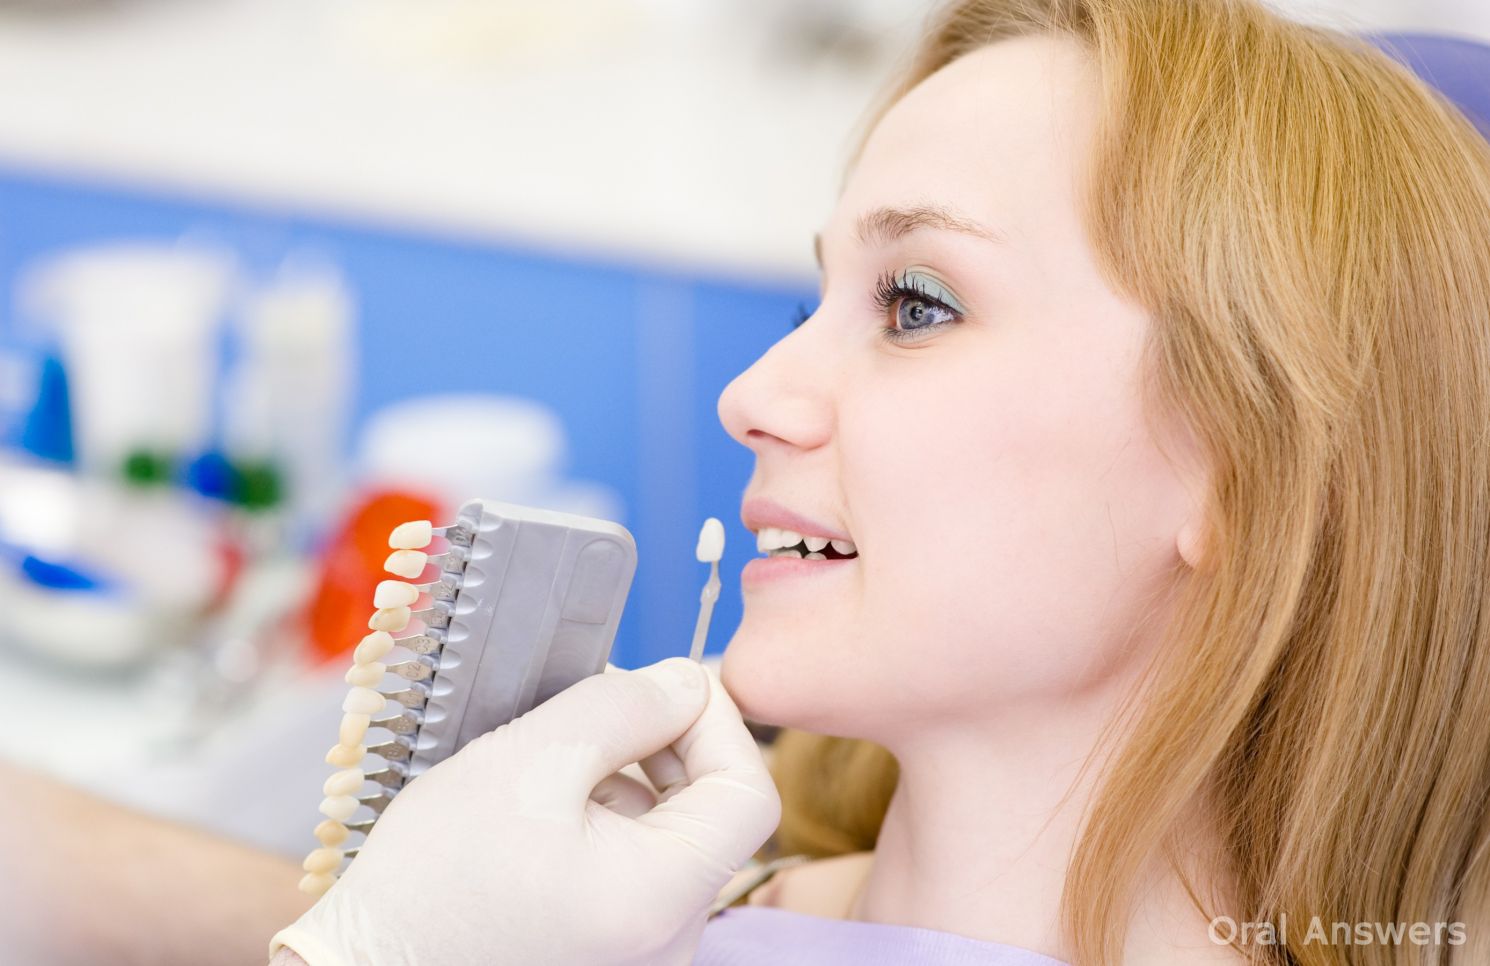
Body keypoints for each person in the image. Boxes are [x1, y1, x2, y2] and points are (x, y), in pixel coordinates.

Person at [284, 0, 1490, 961]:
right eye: (808, 305)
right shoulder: (668, 909)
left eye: (915, 305)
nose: (751, 395)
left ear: (1246, 476)